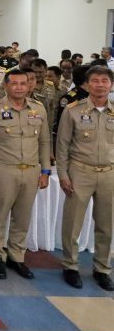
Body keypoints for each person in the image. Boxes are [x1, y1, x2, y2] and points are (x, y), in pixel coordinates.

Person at [0, 69, 51, 280]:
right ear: (6, 85)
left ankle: (16, 256)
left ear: (29, 85)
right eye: (14, 83)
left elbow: (44, 142)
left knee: (23, 217)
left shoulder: (38, 109)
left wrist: (45, 170)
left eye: (23, 83)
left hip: (31, 171)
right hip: (4, 170)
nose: (19, 87)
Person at [56, 66, 114, 291]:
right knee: (73, 223)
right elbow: (62, 146)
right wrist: (63, 174)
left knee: (106, 225)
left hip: (109, 174)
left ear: (111, 85)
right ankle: (70, 266)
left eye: (104, 81)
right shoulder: (73, 110)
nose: (100, 85)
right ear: (87, 85)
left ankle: (102, 269)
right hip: (80, 172)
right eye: (95, 81)